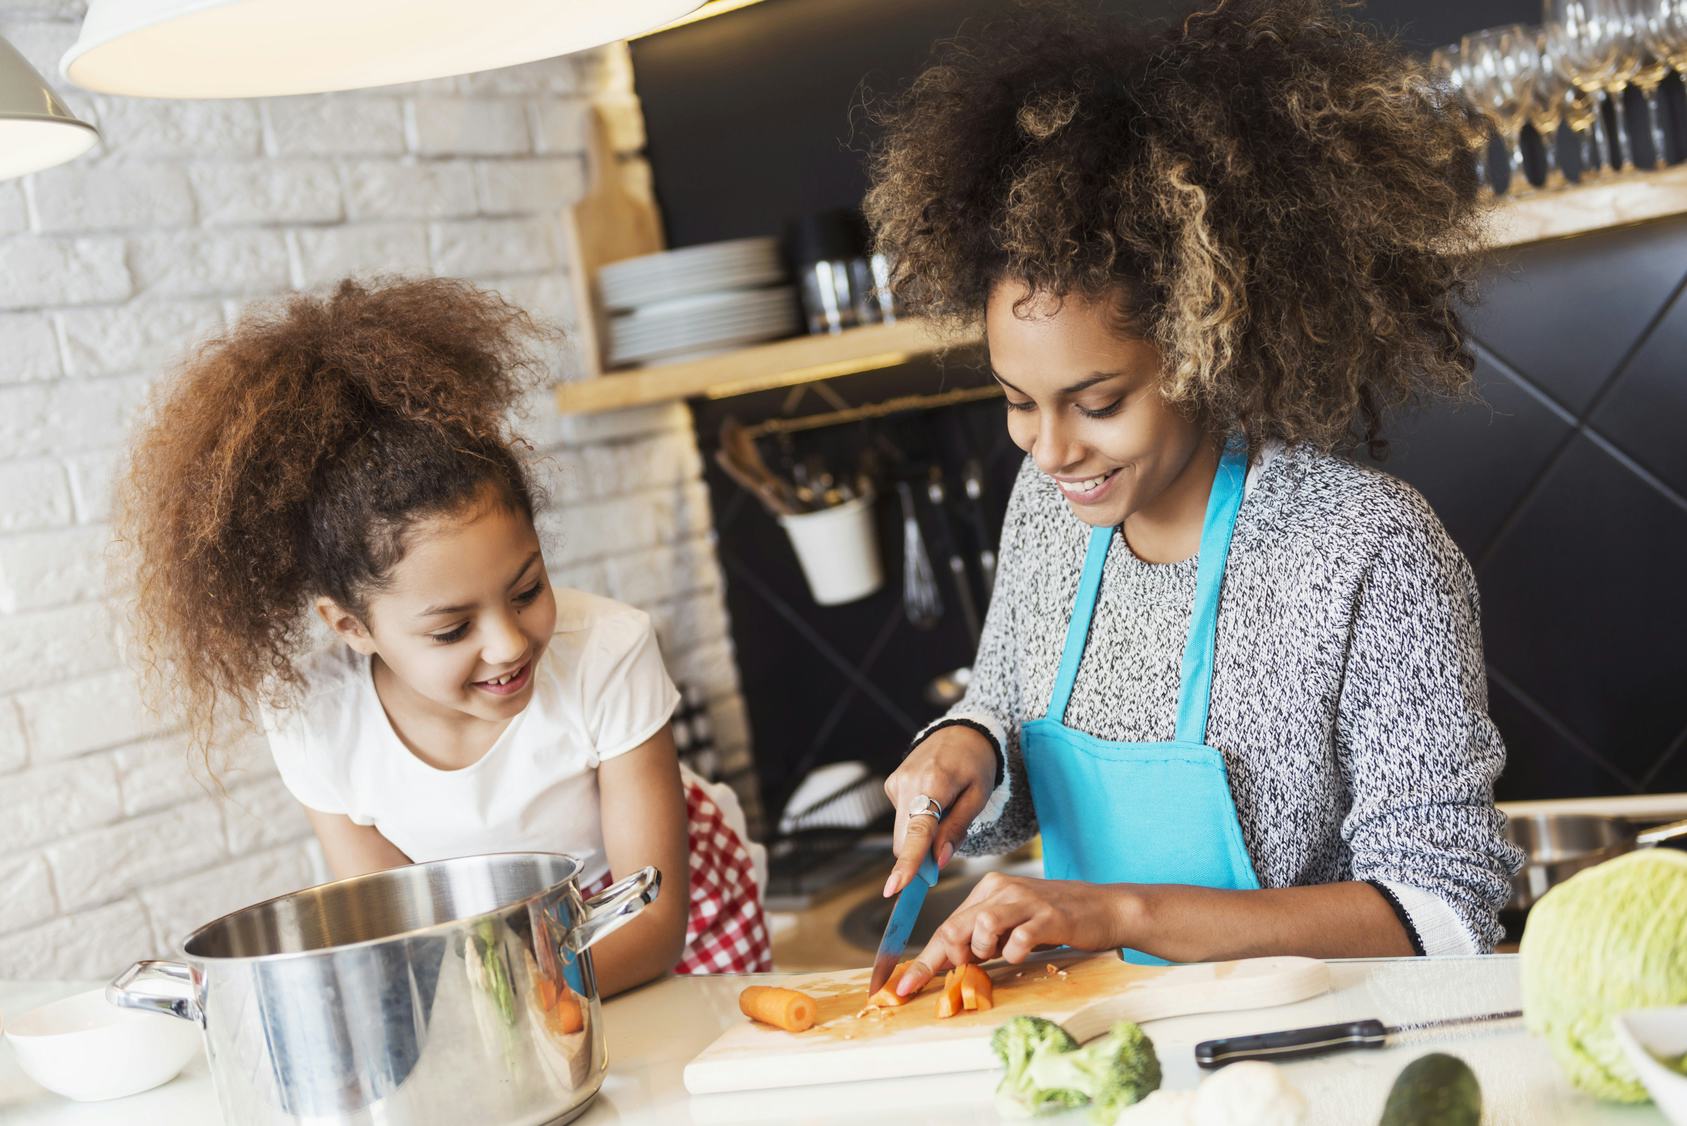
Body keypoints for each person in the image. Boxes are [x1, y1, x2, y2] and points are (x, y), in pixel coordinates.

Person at [865, 0, 1525, 991]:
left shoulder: (1364, 543)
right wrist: (965, 746)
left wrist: (1117, 912)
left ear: (1205, 347)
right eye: (1016, 403)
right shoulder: (1048, 505)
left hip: (1307, 1050)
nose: (1050, 449)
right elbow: (1005, 716)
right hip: (1092, 1035)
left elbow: (1440, 910)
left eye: (1097, 401)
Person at [117, 277, 770, 992]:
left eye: (526, 591)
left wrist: (505, 1003)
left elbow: (651, 929)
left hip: (649, 922)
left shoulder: (608, 650)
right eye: (453, 628)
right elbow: (403, 936)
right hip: (491, 964)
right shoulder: (317, 725)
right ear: (350, 625)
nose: (510, 644)